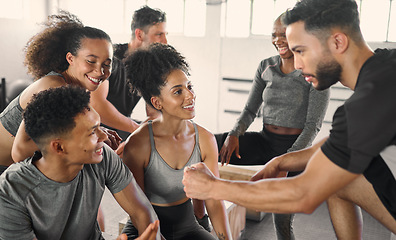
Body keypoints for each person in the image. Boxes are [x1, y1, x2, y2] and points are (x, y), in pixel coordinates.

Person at [183, 0, 396, 239]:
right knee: (342, 184)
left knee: (332, 182)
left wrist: (213, 186)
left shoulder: (366, 104)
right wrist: (280, 162)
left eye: (301, 51)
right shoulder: (385, 70)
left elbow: (303, 194)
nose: (297, 64)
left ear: (338, 42)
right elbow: (330, 148)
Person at [215, 13, 329, 240]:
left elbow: (313, 126)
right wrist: (235, 133)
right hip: (265, 141)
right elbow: (249, 111)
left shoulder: (315, 71)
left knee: (281, 219)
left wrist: (286, 160)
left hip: (296, 150)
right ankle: (194, 216)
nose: (278, 40)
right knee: (209, 143)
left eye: (283, 34)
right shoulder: (265, 66)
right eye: (274, 34)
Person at [4, 11, 118, 231]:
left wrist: (93, 133)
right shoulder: (52, 86)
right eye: (91, 61)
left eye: (107, 63)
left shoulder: (76, 91)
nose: (100, 71)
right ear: (70, 58)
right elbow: (19, 152)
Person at [0, 86, 161, 240]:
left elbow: (142, 212)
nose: (104, 137)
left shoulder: (102, 155)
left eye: (99, 127)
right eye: (92, 132)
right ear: (59, 146)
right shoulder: (10, 191)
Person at [121, 43, 232, 240]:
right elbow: (139, 207)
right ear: (157, 102)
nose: (190, 96)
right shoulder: (138, 144)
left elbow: (214, 200)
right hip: (145, 227)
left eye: (189, 87)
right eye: (178, 91)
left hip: (188, 227)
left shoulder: (205, 139)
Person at [90, 5, 167, 141]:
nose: (165, 41)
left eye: (165, 35)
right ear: (139, 34)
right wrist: (136, 129)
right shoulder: (111, 58)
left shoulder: (149, 66)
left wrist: (152, 128)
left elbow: (154, 110)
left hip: (122, 128)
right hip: (94, 126)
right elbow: (98, 105)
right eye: (159, 35)